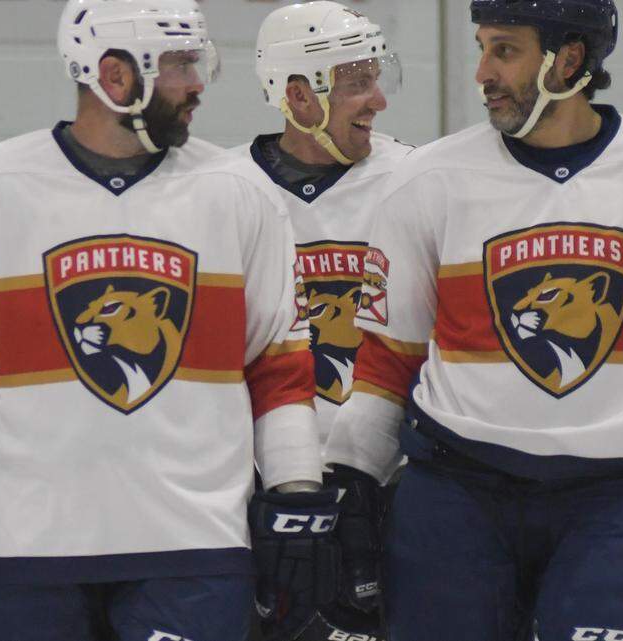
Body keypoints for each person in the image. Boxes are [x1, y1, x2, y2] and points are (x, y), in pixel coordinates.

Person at [322, 1, 623, 641]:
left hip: (618, 504)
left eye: (505, 51)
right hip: (454, 499)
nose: (482, 72)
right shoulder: (428, 180)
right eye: (482, 47)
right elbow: (384, 366)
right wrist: (350, 487)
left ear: (570, 60)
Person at [0, 1, 339, 639]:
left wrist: (295, 492)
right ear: (115, 77)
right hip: (28, 548)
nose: (198, 82)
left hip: (196, 546)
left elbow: (279, 366)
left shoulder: (240, 193)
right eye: (178, 64)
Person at [237, 4, 411, 639]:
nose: (378, 100)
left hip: (393, 495)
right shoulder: (220, 190)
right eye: (356, 83)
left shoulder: (421, 180)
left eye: (377, 76)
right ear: (299, 96)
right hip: (255, 499)